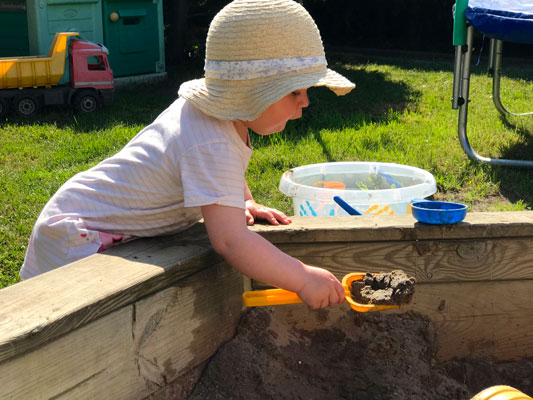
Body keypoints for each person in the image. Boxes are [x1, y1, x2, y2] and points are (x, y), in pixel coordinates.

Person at [20, 0, 355, 309]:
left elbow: (220, 170)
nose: (305, 101)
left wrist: (243, 201)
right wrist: (302, 278)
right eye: (295, 91)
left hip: (93, 222)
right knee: (82, 322)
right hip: (77, 235)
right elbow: (230, 241)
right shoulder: (212, 140)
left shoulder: (215, 120)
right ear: (249, 93)